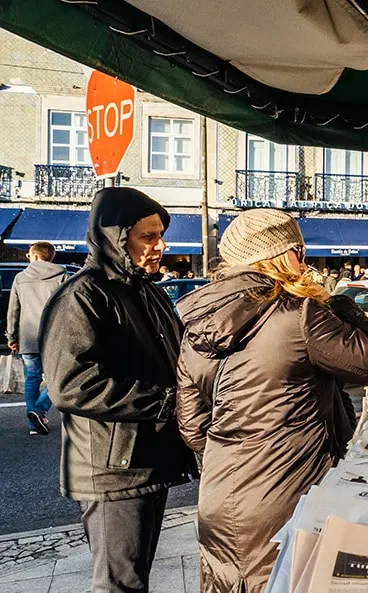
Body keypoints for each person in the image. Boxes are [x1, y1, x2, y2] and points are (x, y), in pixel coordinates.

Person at [175, 209, 368, 592]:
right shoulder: (301, 314)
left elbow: (193, 427)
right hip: (285, 496)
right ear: (282, 256)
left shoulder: (199, 323)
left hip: (219, 496)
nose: (305, 259)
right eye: (300, 250)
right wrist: (343, 307)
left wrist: (238, 447)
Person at [39, 187, 196, 593]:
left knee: (132, 579)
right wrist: (165, 402)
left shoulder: (146, 290)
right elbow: (71, 385)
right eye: (148, 236)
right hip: (112, 471)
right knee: (118, 585)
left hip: (147, 461)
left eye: (160, 235)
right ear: (115, 236)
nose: (159, 246)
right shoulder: (82, 296)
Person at [6, 241, 67, 435]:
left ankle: (34, 424)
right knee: (58, 379)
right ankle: (39, 410)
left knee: (32, 378)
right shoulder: (63, 276)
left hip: (28, 336)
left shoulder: (20, 278)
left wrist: (11, 335)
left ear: (35, 256)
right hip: (55, 336)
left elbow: (13, 310)